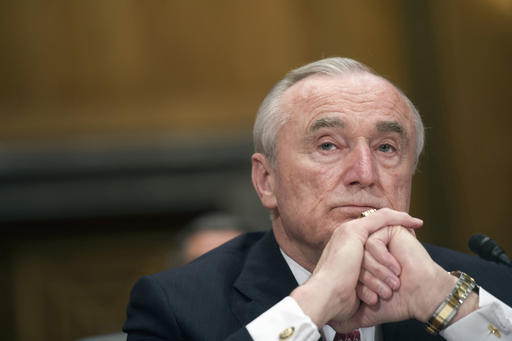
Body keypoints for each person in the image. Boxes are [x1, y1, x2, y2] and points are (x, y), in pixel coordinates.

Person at [123, 57, 512, 341]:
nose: (365, 172)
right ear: (266, 180)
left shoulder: (486, 291)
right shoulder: (176, 308)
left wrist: (448, 307)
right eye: (328, 145)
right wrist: (310, 306)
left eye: (387, 148)